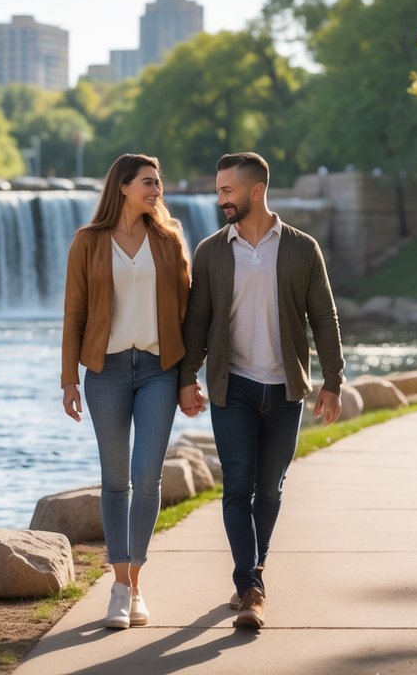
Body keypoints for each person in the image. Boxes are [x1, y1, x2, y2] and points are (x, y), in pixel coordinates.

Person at [177, 151, 345, 630]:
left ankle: (255, 569)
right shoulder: (211, 250)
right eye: (217, 191)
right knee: (237, 487)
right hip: (234, 388)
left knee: (269, 490)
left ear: (256, 191)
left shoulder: (300, 248)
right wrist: (188, 377)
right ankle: (251, 587)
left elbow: (324, 317)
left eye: (227, 191)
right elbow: (197, 320)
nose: (220, 199)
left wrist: (332, 381)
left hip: (285, 387)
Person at [61, 153, 192, 630]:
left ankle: (136, 582)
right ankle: (118, 587)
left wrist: (188, 377)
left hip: (159, 370)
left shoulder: (169, 239)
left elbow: (187, 313)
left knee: (148, 476)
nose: (157, 189)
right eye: (148, 182)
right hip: (107, 372)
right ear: (122, 187)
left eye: (158, 182)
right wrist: (68, 380)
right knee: (115, 481)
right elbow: (74, 313)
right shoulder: (88, 242)